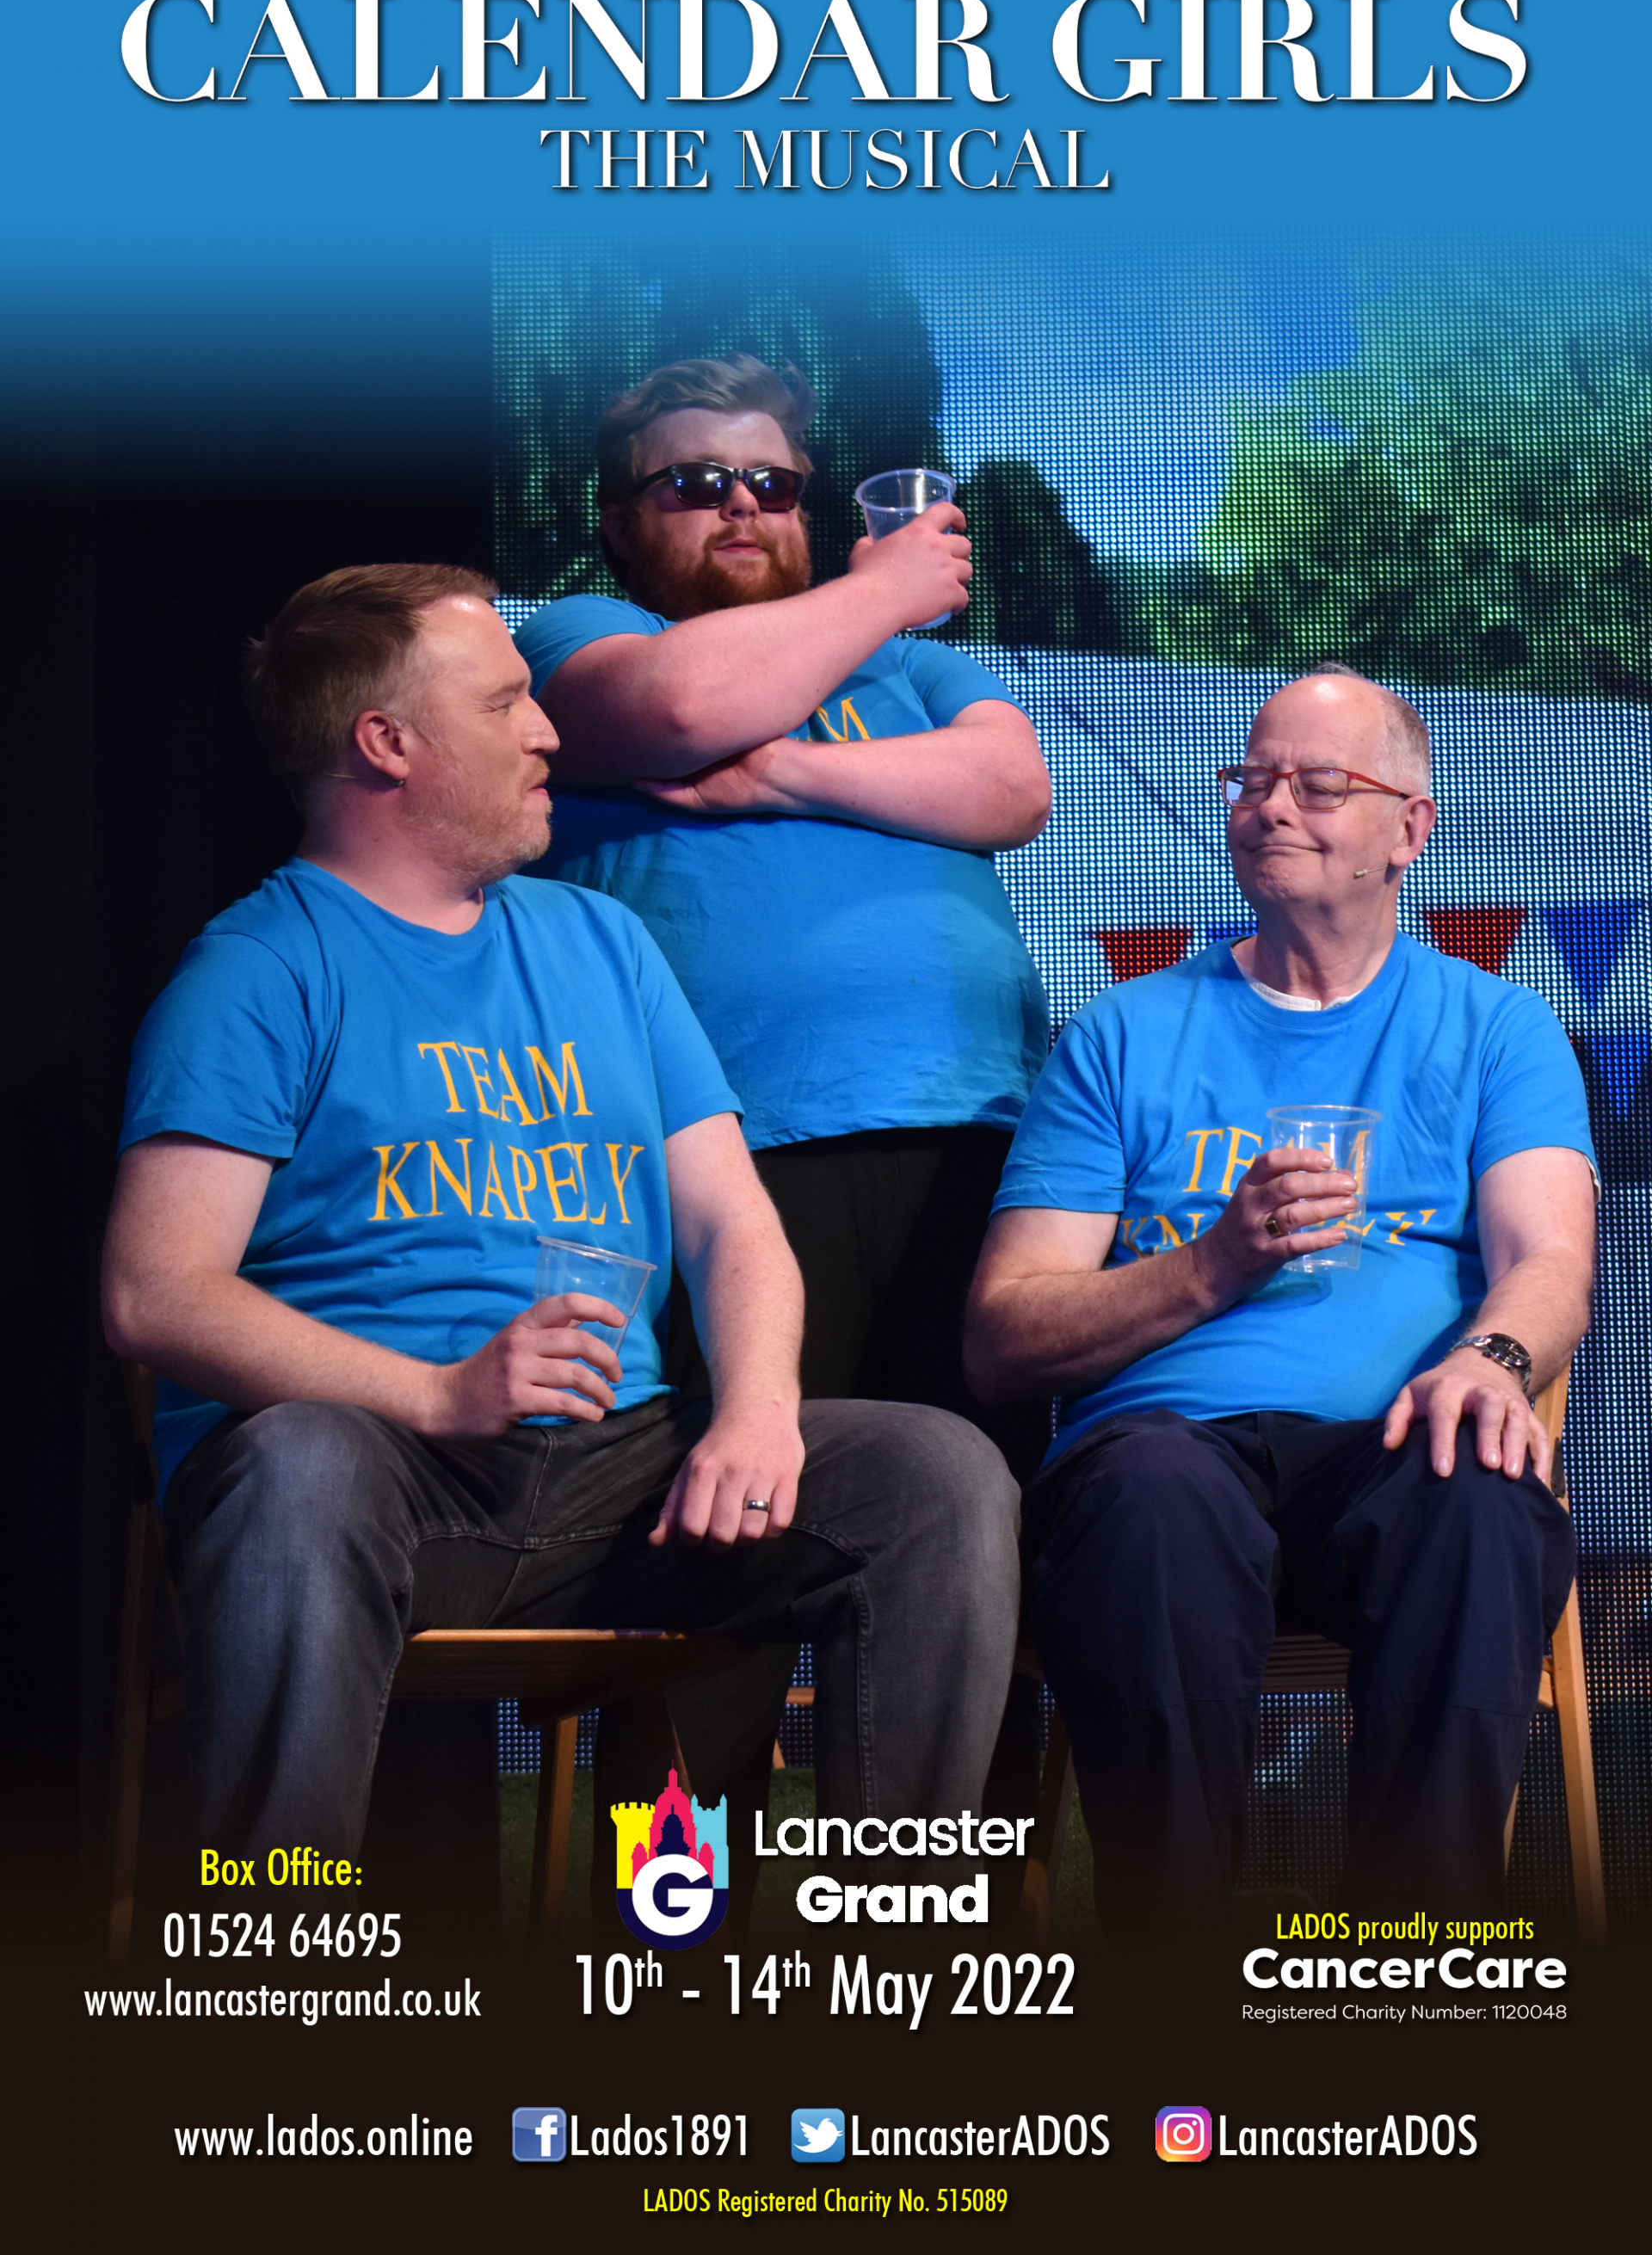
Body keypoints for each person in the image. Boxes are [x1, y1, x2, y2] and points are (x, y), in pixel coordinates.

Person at [101, 563, 1020, 1886]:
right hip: (381, 1471)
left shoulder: (602, 942)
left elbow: (732, 1223)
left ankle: (888, 1952)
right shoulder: (258, 969)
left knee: (934, 1475)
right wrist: (434, 1394)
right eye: (505, 703)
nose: (545, 731)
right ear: (387, 743)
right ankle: (279, 1961)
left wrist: (758, 1412)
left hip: (614, 1474)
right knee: (299, 1464)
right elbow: (154, 1293)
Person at [965, 667, 1597, 1922]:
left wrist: (1493, 1363)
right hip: (1167, 1455)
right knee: (1149, 1496)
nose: (1270, 807)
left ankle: (1410, 1955)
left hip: (1395, 1447)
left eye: (1317, 784)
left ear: (1410, 830)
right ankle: (1178, 1967)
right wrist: (1216, 1263)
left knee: (1479, 1493)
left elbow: (1549, 1262)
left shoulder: (1497, 1027)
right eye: (1253, 780)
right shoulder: (1122, 1034)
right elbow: (1002, 1334)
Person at [514, 355, 1053, 1473]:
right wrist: (887, 587)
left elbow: (1012, 788)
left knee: (978, 1506)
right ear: (618, 524)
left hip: (975, 1129)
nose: (742, 506)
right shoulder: (581, 632)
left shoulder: (907, 667)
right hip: (736, 1147)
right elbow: (681, 706)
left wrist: (778, 774)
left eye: (772, 484)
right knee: (749, 1507)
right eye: (696, 483)